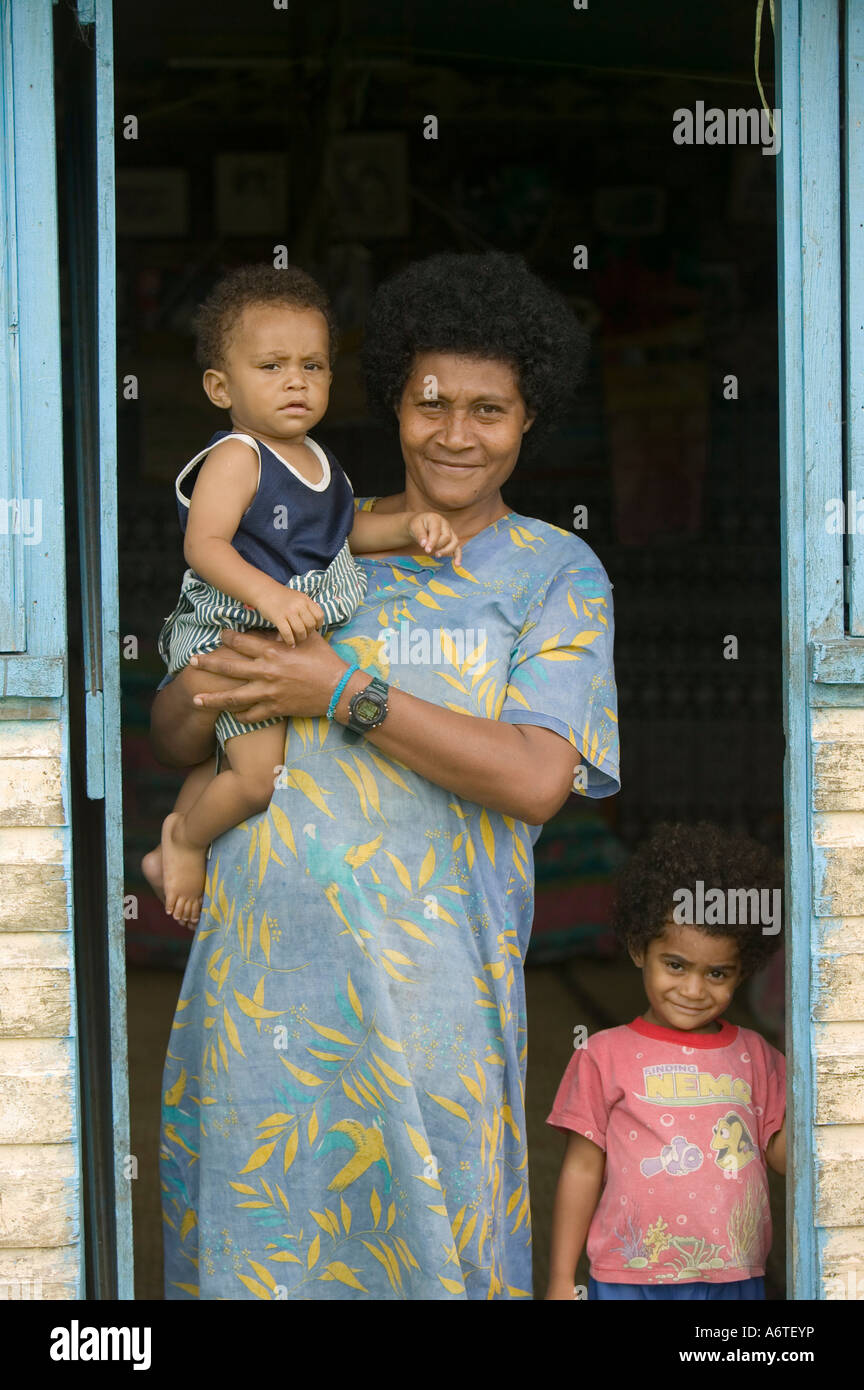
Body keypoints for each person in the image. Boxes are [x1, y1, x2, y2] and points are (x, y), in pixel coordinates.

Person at [153, 250, 620, 1300]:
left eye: (490, 409)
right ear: (394, 406)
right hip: (261, 997)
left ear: (529, 418)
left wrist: (343, 691)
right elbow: (178, 735)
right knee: (264, 1263)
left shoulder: (555, 575)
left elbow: (540, 777)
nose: (457, 432)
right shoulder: (312, 548)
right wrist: (201, 689)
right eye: (431, 402)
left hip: (438, 1007)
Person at [143, 263, 462, 925]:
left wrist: (410, 525)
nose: (296, 381)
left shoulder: (318, 458)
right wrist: (272, 598)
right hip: (234, 630)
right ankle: (183, 839)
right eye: (272, 366)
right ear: (219, 385)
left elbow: (343, 533)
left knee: (246, 756)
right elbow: (204, 545)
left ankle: (183, 818)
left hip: (280, 632)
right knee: (258, 780)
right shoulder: (238, 456)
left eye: (314, 366)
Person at [546, 822, 786, 1301]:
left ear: (744, 971)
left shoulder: (757, 1056)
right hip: (626, 1276)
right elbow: (581, 1170)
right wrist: (559, 1278)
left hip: (733, 1278)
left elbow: (781, 1158)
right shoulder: (601, 1054)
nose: (694, 990)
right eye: (675, 965)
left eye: (717, 973)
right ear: (639, 949)